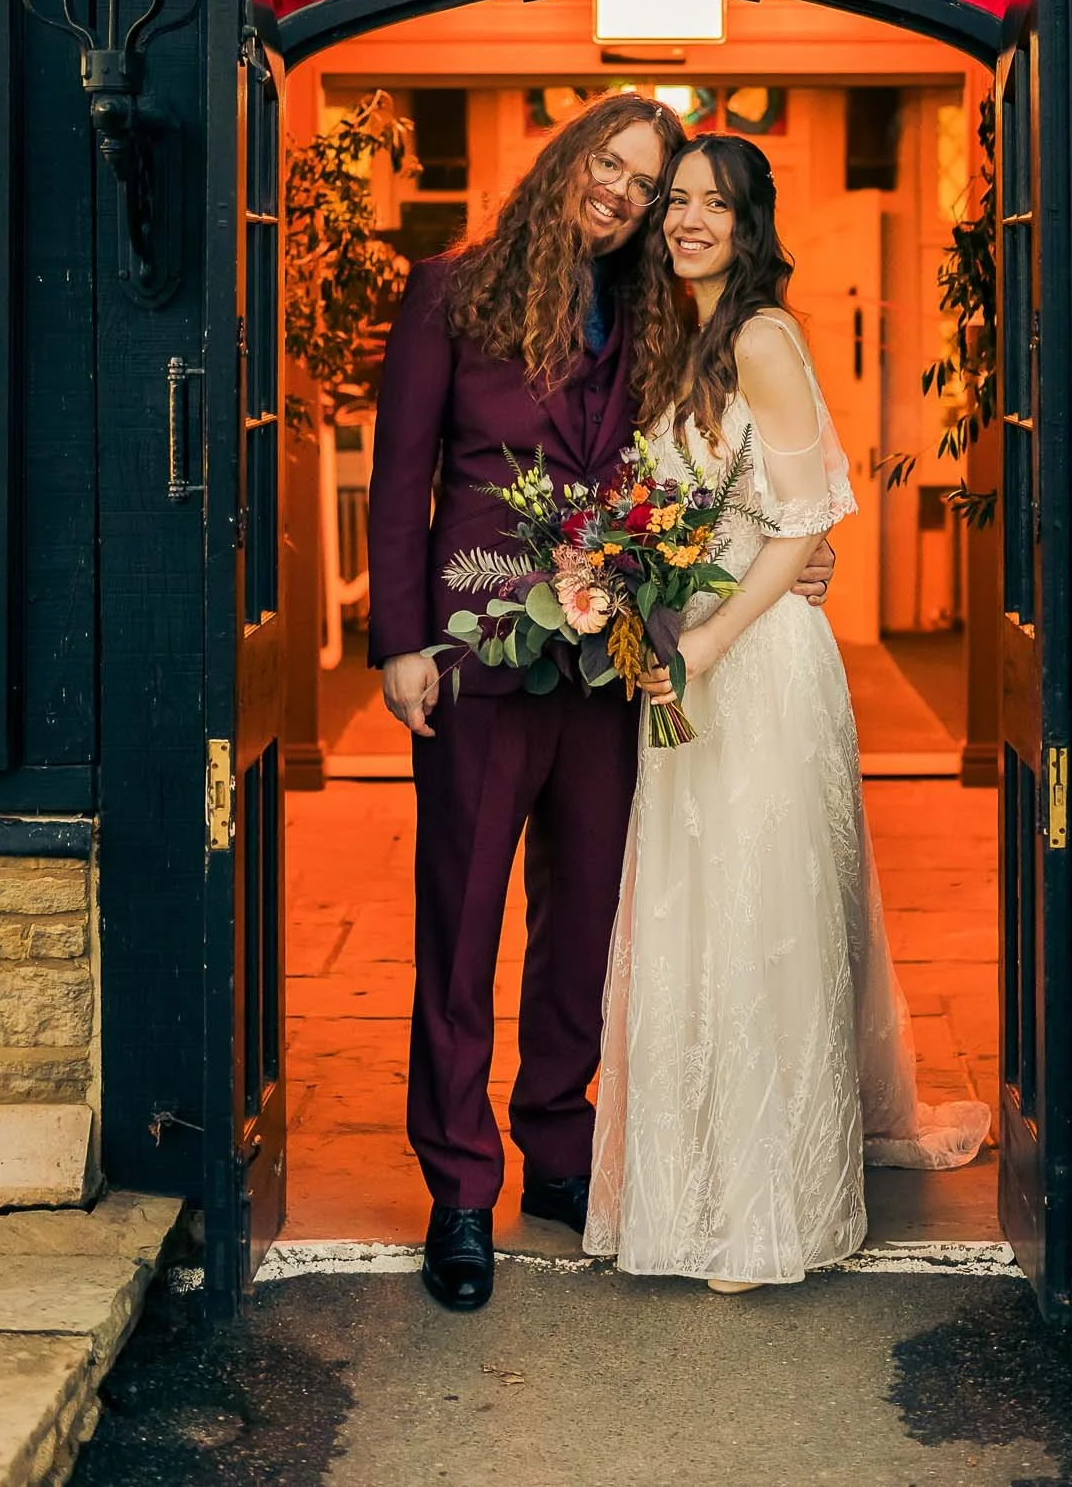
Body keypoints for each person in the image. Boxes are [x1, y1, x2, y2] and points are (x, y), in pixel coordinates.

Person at [369, 93, 832, 1313]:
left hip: (607, 665)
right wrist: (400, 642)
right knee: (458, 925)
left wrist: (776, 552)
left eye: (649, 181)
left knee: (585, 924)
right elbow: (400, 472)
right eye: (613, 165)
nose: (626, 192)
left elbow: (714, 465)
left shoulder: (647, 318)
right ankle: (459, 1185)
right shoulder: (451, 291)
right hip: (478, 658)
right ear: (569, 160)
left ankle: (558, 1150)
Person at [584, 135, 990, 1289]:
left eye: (712, 203)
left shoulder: (762, 335)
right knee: (690, 916)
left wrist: (707, 634)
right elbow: (686, 515)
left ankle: (764, 1214)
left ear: (749, 223)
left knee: (759, 920)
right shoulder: (683, 341)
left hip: (757, 669)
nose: (687, 219)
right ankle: (691, 1190)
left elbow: (811, 519)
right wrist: (642, 611)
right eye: (675, 201)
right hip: (689, 664)